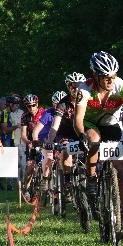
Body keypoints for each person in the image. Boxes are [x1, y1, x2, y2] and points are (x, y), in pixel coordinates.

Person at [74, 51, 123, 240]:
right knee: (93, 140)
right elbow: (78, 118)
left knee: (120, 170)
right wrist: (81, 135)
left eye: (113, 76)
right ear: (96, 76)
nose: (111, 81)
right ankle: (92, 179)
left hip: (112, 125)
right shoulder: (84, 89)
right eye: (106, 78)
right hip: (90, 124)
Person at [48, 72, 86, 203]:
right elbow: (55, 125)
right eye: (73, 86)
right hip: (65, 133)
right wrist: (49, 141)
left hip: (82, 133)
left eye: (79, 86)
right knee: (66, 149)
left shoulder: (90, 99)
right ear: (68, 87)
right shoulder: (63, 104)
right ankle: (68, 182)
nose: (76, 89)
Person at [20, 94, 47, 202]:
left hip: (44, 141)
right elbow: (23, 134)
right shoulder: (25, 116)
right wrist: (28, 142)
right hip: (32, 142)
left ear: (37, 104)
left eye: (33, 105)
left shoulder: (44, 113)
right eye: (29, 106)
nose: (31, 108)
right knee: (30, 166)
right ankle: (26, 188)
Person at [0, 95, 23, 190]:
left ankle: (9, 184)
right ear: (11, 104)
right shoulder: (5, 113)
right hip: (6, 140)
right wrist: (16, 126)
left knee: (11, 162)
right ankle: (1, 183)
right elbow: (4, 129)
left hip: (11, 140)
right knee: (6, 162)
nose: (16, 107)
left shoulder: (8, 113)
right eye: (16, 105)